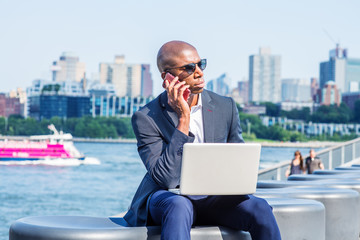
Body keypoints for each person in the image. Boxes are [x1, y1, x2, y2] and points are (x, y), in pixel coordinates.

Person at [123, 40, 281, 240]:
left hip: (215, 199)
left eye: (201, 64)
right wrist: (184, 119)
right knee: (179, 206)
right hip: (169, 199)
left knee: (259, 207)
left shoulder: (225, 106)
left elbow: (237, 162)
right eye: (189, 68)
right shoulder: (146, 117)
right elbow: (165, 179)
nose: (199, 72)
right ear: (167, 76)